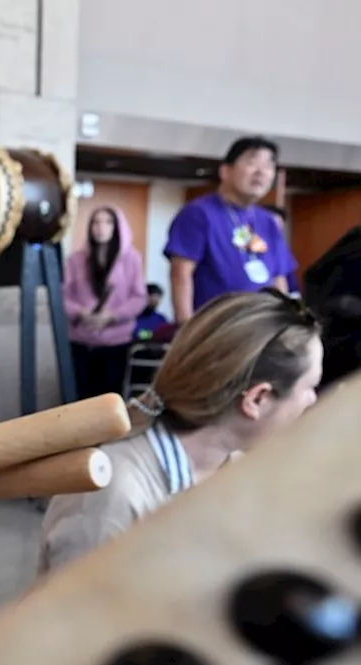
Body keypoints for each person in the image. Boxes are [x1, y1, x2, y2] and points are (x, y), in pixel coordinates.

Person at [38, 289, 322, 573]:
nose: (313, 401)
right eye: (309, 387)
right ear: (256, 399)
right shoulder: (111, 495)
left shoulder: (234, 464)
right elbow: (76, 616)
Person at [164, 136, 297, 324]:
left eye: (268, 165)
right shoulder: (198, 213)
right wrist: (186, 325)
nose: (261, 172)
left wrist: (286, 323)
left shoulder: (268, 221)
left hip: (263, 328)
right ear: (225, 171)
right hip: (216, 328)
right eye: (252, 162)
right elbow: (180, 273)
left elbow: (278, 277)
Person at [62, 205, 148, 398]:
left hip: (116, 343)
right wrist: (81, 312)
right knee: (79, 397)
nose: (101, 227)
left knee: (110, 398)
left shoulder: (131, 259)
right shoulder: (76, 260)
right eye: (96, 222)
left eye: (107, 222)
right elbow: (62, 296)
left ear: (117, 227)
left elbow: (139, 297)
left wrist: (112, 316)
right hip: (80, 341)